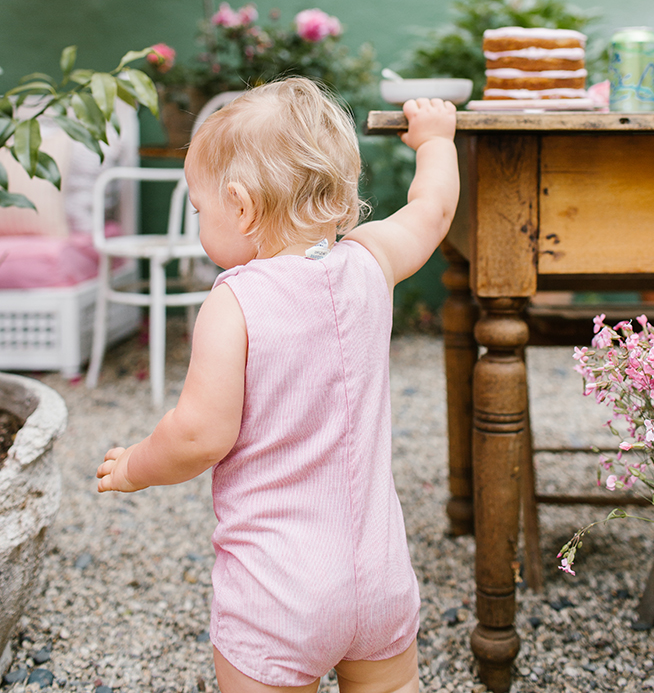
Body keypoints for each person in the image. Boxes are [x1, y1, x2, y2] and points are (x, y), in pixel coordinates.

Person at [97, 77, 459, 693]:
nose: (199, 218)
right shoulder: (370, 261)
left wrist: (136, 465)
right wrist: (434, 142)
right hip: (379, 575)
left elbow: (198, 434)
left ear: (239, 206)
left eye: (198, 207)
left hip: (279, 590)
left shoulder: (235, 302)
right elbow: (432, 210)